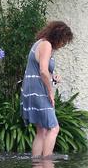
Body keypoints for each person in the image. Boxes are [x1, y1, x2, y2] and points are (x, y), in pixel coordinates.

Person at [20, 21, 73, 157]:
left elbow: (42, 70)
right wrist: (50, 92)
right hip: (38, 91)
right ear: (58, 36)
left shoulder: (39, 43)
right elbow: (43, 71)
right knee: (54, 128)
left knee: (42, 131)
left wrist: (53, 77)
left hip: (32, 88)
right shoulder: (46, 45)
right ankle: (47, 164)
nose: (62, 45)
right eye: (63, 41)